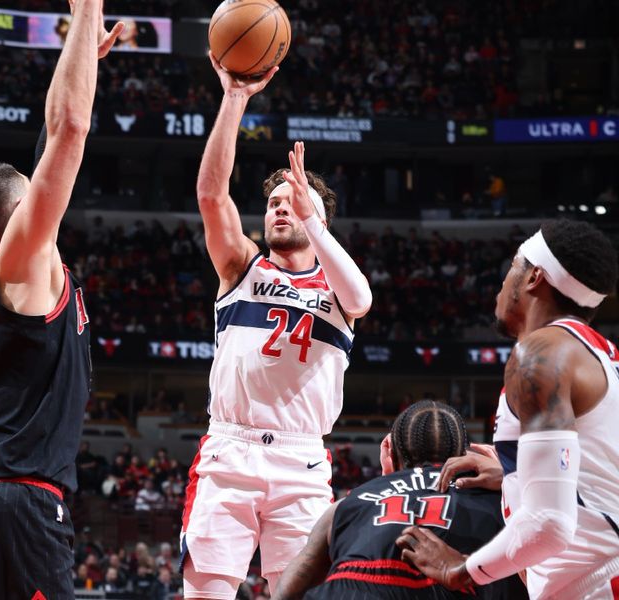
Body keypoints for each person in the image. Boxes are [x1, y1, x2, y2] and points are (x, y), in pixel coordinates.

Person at [0, 3, 124, 599]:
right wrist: (88, 8)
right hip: (19, 505)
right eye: (36, 192)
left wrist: (81, 54)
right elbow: (67, 132)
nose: (51, 194)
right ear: (21, 216)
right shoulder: (21, 260)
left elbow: (48, 141)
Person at [181, 53, 372, 600]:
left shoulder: (339, 287)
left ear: (321, 219)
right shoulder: (242, 265)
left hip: (301, 457)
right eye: (272, 203)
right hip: (229, 450)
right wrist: (235, 99)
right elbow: (211, 196)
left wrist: (313, 216)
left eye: (294, 203)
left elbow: (360, 297)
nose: (279, 210)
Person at [397, 220, 619, 599]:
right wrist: (516, 473)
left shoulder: (540, 354)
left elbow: (551, 523)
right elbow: (599, 478)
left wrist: (463, 569)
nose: (502, 283)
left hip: (594, 584)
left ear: (534, 277)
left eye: (512, 267)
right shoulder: (600, 355)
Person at [272, 401, 517, 600]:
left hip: (345, 589)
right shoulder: (505, 497)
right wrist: (512, 477)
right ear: (467, 455)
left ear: (390, 452)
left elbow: (287, 592)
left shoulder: (348, 503)